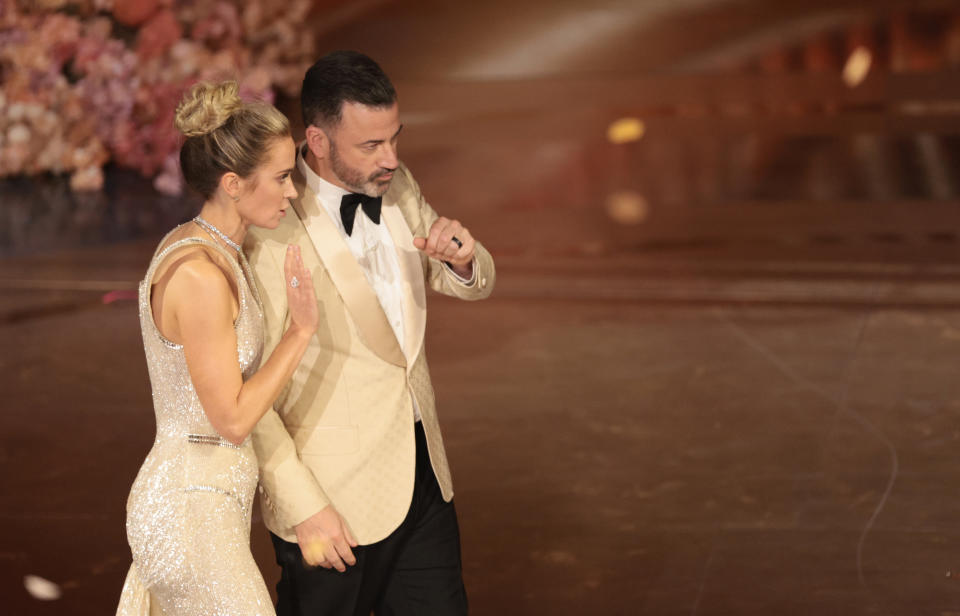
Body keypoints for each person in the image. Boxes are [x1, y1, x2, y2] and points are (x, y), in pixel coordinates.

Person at [245, 50, 495, 615]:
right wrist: (302, 504)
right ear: (317, 140)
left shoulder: (398, 186)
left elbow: (471, 280)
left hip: (423, 477)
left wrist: (461, 259)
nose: (392, 159)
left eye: (395, 139)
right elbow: (250, 392)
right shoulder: (273, 231)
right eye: (371, 146)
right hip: (332, 507)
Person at [115, 80, 317, 615]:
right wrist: (299, 333)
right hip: (188, 513)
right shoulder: (201, 275)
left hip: (207, 507)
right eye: (280, 178)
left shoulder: (214, 248)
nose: (292, 191)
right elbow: (229, 419)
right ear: (233, 183)